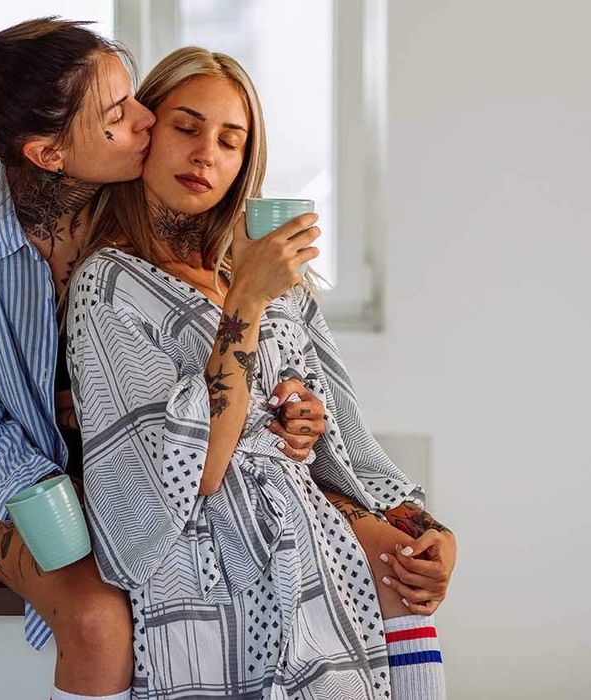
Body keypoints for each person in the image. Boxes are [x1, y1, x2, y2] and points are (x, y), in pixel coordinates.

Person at [66, 47, 457, 699]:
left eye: (229, 141)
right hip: (198, 545)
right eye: (186, 128)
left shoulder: (272, 280)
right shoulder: (108, 286)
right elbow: (190, 474)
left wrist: (429, 532)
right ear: (146, 131)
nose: (205, 155)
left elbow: (343, 442)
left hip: (304, 516)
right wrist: (244, 300)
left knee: (403, 570)